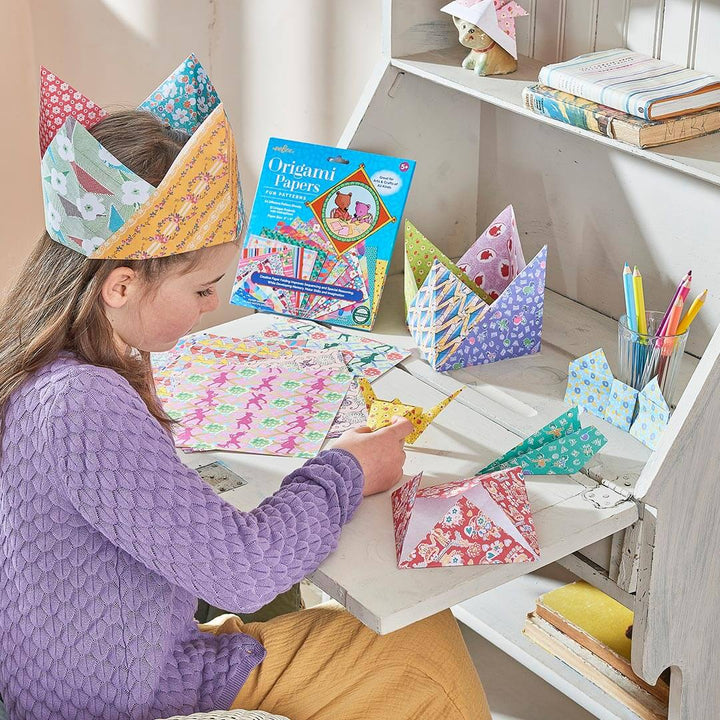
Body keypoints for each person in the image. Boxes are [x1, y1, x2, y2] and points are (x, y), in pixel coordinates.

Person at [0, 58, 491, 720]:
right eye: (201, 290)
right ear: (120, 286)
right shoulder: (81, 404)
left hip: (68, 671)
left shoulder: (41, 356)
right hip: (125, 695)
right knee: (423, 650)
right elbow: (244, 572)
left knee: (296, 590)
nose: (211, 306)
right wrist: (346, 469)